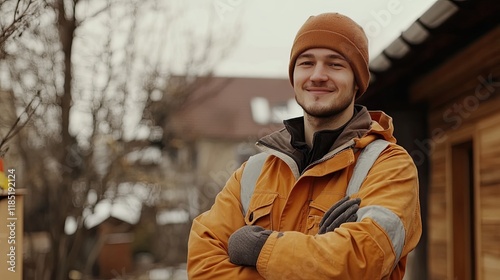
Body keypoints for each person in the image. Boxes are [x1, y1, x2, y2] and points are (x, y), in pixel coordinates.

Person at [187, 12, 422, 279]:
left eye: (335, 65)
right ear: (294, 76)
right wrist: (318, 255)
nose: (318, 75)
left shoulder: (389, 167)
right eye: (306, 63)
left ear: (358, 81)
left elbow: (364, 259)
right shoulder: (253, 173)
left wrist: (261, 249)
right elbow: (203, 264)